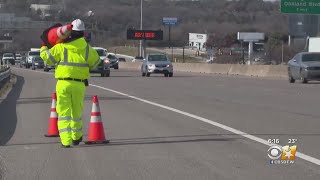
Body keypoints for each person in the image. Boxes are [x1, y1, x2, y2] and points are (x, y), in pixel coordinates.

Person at [40, 19, 101, 148]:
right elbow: (96, 63)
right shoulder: (87, 49)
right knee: (76, 112)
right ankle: (76, 137)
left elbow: (48, 58)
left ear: (69, 33)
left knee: (63, 113)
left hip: (63, 84)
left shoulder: (61, 47)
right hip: (79, 85)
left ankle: (66, 141)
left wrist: (44, 46)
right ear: (83, 33)